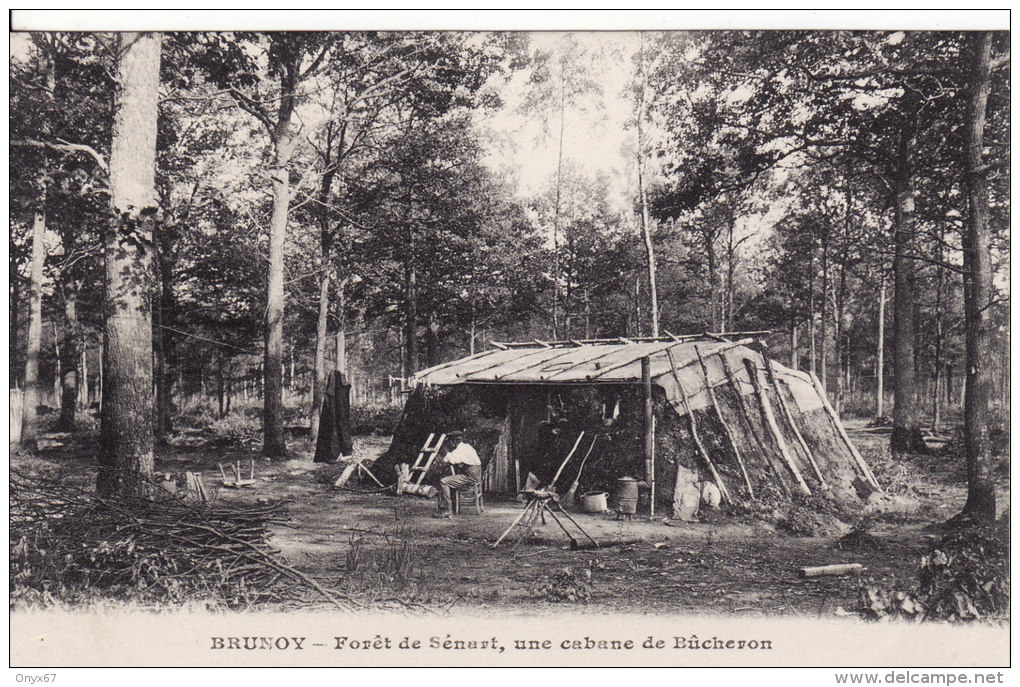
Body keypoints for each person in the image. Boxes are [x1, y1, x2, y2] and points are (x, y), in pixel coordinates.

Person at [435, 431, 481, 518]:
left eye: (451, 442)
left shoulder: (459, 449)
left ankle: (448, 510)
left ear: (454, 441)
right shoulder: (468, 447)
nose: (451, 444)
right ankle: (450, 506)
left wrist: (447, 454)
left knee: (443, 481)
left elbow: (448, 459)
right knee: (450, 480)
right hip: (476, 475)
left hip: (470, 476)